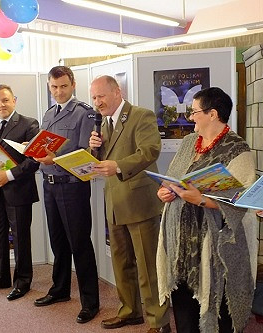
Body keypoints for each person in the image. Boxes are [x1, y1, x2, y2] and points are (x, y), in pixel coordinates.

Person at [156, 87, 258, 333]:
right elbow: (171, 179)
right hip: (181, 241)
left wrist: (201, 199)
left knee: (217, 309)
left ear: (212, 114)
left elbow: (242, 201)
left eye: (195, 112)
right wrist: (165, 192)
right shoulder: (190, 142)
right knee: (183, 306)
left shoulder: (238, 149)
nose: (191, 117)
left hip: (217, 247)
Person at [88, 75, 171, 333]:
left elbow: (150, 150)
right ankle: (130, 311)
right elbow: (103, 161)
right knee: (121, 262)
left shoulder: (141, 115)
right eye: (94, 98)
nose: (97, 102)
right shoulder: (102, 124)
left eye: (101, 96)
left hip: (139, 202)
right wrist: (93, 150)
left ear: (117, 92)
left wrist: (119, 165)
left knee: (147, 266)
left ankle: (159, 322)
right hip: (114, 202)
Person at [34, 66, 99, 324]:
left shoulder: (85, 113)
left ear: (73, 85)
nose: (58, 92)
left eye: (63, 86)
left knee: (79, 245)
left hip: (72, 186)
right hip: (49, 184)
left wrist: (55, 158)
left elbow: (86, 155)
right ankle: (60, 290)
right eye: (53, 87)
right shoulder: (49, 113)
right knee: (58, 243)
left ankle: (90, 303)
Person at [0, 84, 40, 301]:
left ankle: (23, 282)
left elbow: (34, 161)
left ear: (14, 100)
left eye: (5, 100)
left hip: (18, 191)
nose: (1, 105)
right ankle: (0, 277)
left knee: (21, 239)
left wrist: (9, 175)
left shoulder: (29, 124)